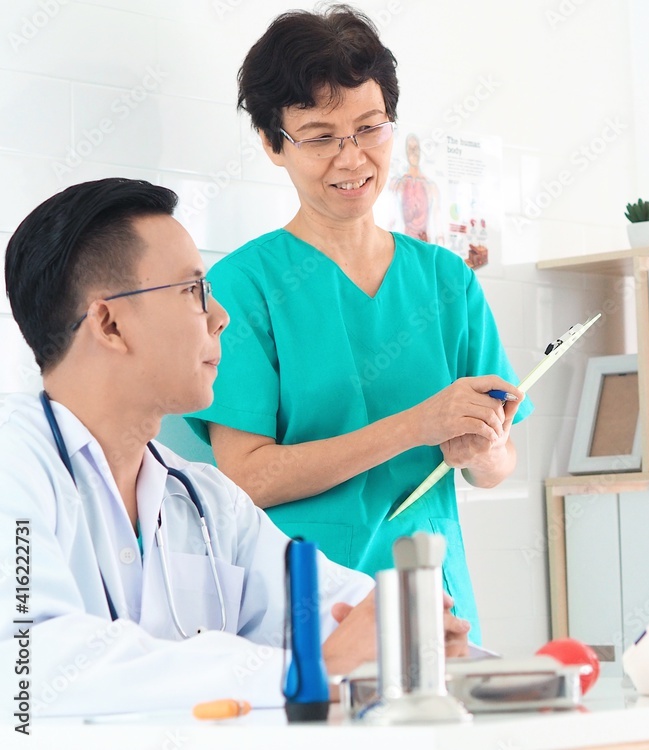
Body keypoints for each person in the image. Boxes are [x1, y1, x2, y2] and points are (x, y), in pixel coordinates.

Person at [0, 178, 469, 717]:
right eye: (194, 291)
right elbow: (29, 662)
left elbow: (332, 605)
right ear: (109, 323)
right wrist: (304, 674)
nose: (220, 316)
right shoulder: (14, 467)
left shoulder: (206, 501)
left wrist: (410, 631)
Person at [186, 6, 531, 645]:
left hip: (438, 602)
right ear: (271, 142)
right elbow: (246, 476)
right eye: (320, 136)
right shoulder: (243, 286)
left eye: (370, 128)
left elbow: (498, 465)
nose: (352, 158)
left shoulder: (444, 279)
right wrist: (415, 427)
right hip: (309, 614)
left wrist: (484, 448)